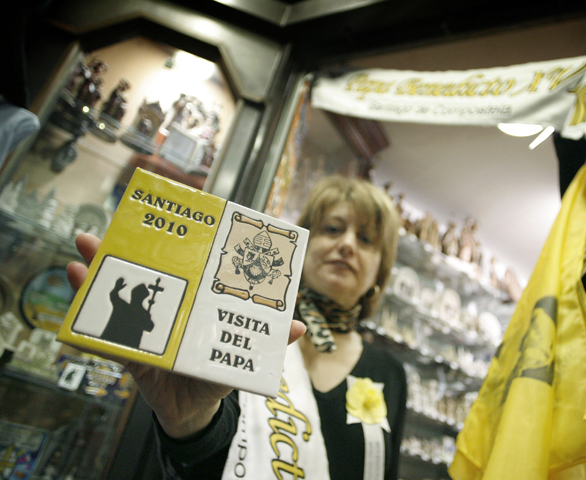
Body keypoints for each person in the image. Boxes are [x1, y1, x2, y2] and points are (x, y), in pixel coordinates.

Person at [67, 175, 407, 480]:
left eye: (366, 239)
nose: (347, 244)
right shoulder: (242, 322)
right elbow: (200, 458)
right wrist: (190, 424)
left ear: (380, 269)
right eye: (332, 229)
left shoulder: (390, 373)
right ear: (301, 246)